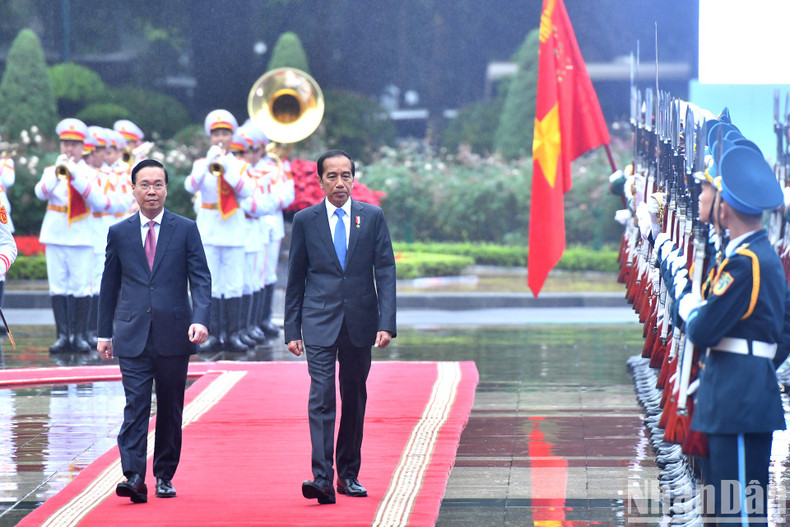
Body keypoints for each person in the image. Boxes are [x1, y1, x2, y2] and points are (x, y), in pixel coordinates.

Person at [673, 144, 788, 525]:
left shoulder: (747, 263)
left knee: (737, 514)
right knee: (728, 512)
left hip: (737, 401)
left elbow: (703, 329)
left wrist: (689, 306)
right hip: (734, 394)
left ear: (723, 208)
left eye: (706, 191)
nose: (701, 197)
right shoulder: (746, 257)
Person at [284, 150, 397, 504]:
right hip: (318, 321)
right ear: (320, 181)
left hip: (360, 322)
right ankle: (322, 477)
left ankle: (348, 475)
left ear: (353, 179)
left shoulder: (372, 217)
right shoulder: (306, 220)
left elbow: (386, 271)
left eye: (345, 175)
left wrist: (386, 323)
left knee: (354, 398)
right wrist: (291, 329)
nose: (339, 183)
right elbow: (296, 277)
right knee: (321, 397)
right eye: (331, 176)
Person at [97, 159, 211, 504]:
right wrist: (105, 333)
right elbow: (109, 284)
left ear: (166, 188)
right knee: (135, 405)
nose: (151, 191)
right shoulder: (119, 232)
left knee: (171, 407)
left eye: (158, 184)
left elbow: (201, 278)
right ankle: (133, 475)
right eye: (144, 184)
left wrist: (201, 318)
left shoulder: (185, 228)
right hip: (131, 333)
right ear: (132, 189)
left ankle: (163, 475)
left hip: (175, 333)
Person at [35, 118, 116, 354]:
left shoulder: (89, 173)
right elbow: (40, 193)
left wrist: (74, 175)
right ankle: (62, 336)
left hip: (81, 236)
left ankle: (80, 336)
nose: (69, 149)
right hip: (55, 234)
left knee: (81, 287)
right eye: (65, 144)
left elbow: (100, 201)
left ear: (83, 147)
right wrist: (57, 175)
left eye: (73, 144)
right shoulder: (51, 171)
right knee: (58, 287)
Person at [184, 109, 253, 353]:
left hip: (233, 227)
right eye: (216, 134)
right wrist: (208, 165)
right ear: (210, 138)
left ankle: (233, 334)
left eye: (225, 133)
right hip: (210, 227)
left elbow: (246, 191)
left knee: (233, 284)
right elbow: (189, 185)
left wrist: (226, 167)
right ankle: (209, 334)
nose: (220, 139)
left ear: (232, 136)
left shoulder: (240, 165)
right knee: (208, 284)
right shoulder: (201, 163)